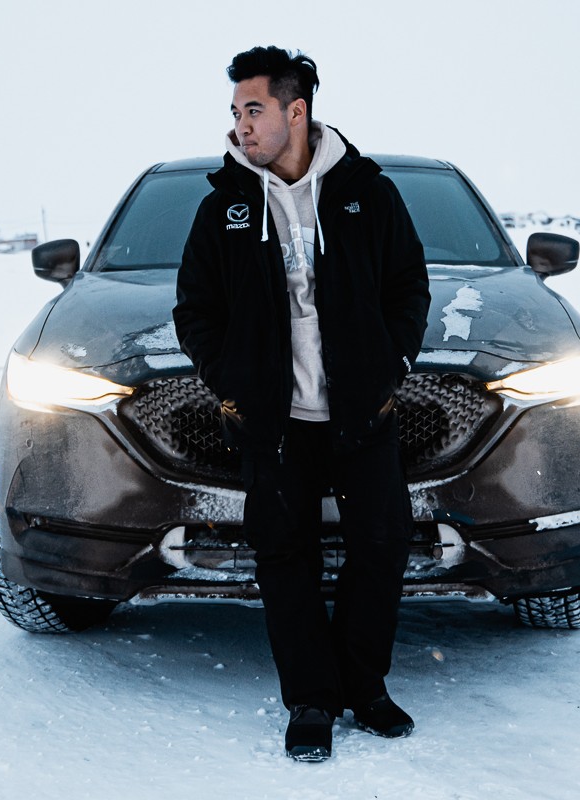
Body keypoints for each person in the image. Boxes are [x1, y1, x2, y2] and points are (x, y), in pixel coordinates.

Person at [173, 46, 430, 762]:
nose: (241, 125)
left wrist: (393, 365)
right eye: (235, 112)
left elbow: (409, 286)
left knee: (379, 551)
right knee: (286, 561)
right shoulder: (223, 207)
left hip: (362, 415)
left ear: (296, 110)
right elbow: (194, 311)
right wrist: (233, 383)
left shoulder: (366, 193)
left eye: (253, 109)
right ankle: (312, 701)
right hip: (274, 426)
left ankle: (365, 688)